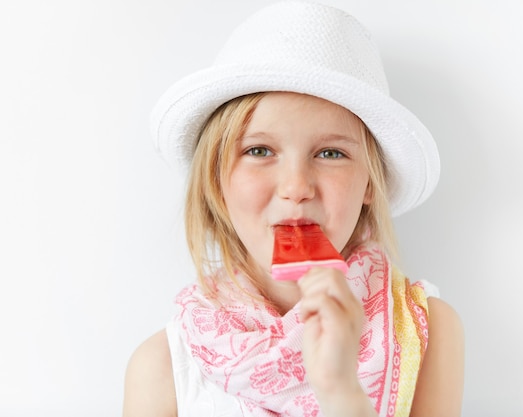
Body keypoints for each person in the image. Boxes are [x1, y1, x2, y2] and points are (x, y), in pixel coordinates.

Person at [123, 1, 464, 416]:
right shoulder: (163, 369)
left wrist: (341, 392)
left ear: (370, 183)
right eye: (260, 150)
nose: (296, 187)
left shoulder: (426, 331)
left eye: (331, 153)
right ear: (216, 179)